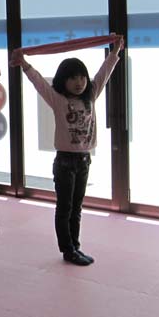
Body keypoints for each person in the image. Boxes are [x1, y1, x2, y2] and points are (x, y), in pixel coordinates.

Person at [11, 35, 123, 266]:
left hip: (84, 160)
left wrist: (114, 52)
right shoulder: (58, 100)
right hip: (64, 162)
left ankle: (75, 246)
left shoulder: (91, 96)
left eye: (82, 77)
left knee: (76, 207)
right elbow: (39, 82)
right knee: (65, 208)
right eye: (72, 78)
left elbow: (103, 74)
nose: (79, 82)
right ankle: (68, 250)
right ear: (63, 81)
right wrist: (24, 64)